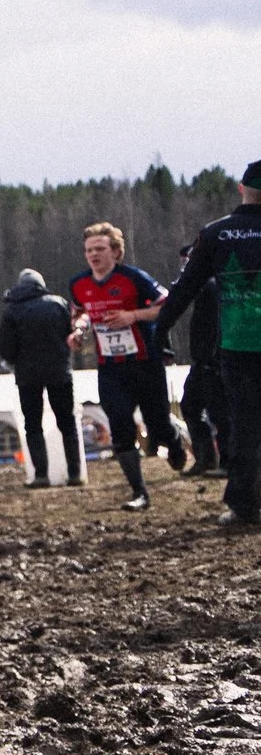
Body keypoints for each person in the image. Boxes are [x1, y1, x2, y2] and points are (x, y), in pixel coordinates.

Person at [153, 164, 261, 528]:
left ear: (241, 188)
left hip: (238, 346)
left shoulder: (217, 233)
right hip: (236, 348)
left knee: (245, 427)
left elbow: (184, 288)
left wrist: (161, 330)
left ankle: (244, 505)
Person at [68, 222, 183, 512]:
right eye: (89, 250)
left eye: (100, 249)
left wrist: (133, 316)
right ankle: (139, 492)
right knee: (120, 426)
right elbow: (81, 312)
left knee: (158, 423)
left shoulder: (134, 278)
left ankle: (174, 441)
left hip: (146, 363)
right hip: (110, 368)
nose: (93, 255)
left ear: (116, 252)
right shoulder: (79, 284)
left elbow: (167, 305)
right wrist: (78, 331)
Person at [0, 267, 81, 488]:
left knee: (33, 425)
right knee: (67, 422)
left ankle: (41, 475)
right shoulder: (58, 303)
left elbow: (5, 345)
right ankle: (75, 473)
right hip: (59, 372)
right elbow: (71, 333)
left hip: (27, 376)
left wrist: (14, 362)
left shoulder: (12, 310)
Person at [175, 243, 226, 477]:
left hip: (212, 361)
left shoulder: (212, 286)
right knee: (190, 406)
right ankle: (206, 459)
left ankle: (226, 461)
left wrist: (213, 358)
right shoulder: (204, 286)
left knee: (219, 412)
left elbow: (217, 326)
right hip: (201, 360)